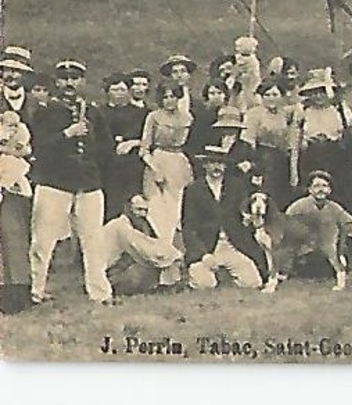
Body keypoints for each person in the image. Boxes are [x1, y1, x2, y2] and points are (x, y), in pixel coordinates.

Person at [29, 60, 115, 305]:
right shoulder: (46, 112)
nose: (69, 83)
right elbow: (40, 148)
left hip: (88, 183)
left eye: (75, 78)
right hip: (54, 182)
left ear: (83, 82)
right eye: (64, 78)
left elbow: (106, 149)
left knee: (94, 240)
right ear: (56, 82)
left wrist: (94, 168)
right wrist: (68, 133)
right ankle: (36, 290)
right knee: (43, 240)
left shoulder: (94, 112)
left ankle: (100, 293)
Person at [278, 170, 352, 290]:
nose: (320, 189)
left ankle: (348, 272)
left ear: (329, 190)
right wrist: (284, 267)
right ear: (309, 189)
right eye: (316, 186)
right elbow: (285, 235)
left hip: (327, 254)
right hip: (304, 255)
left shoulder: (335, 208)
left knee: (343, 244)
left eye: (324, 186)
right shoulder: (297, 208)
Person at [183, 146, 266, 290]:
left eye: (221, 163)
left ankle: (225, 276)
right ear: (205, 165)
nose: (217, 167)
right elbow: (188, 228)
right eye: (212, 163)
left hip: (231, 245)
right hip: (208, 247)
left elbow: (245, 213)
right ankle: (208, 275)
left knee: (253, 283)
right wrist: (202, 255)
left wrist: (249, 218)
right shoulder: (194, 189)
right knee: (205, 285)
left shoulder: (236, 186)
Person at [292, 69, 352, 212]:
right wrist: (294, 171)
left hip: (337, 159)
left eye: (322, 91)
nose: (318, 96)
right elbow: (295, 143)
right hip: (311, 159)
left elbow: (351, 136)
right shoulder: (303, 110)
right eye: (314, 92)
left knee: (341, 197)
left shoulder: (340, 109)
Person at [139, 83, 193, 244]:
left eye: (173, 96)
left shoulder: (187, 118)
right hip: (157, 161)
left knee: (178, 205)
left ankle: (179, 247)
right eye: (165, 97)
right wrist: (155, 169)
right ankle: (163, 244)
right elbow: (144, 149)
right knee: (157, 208)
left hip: (179, 162)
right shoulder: (153, 117)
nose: (169, 100)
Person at [101, 193, 185, 296]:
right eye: (138, 209)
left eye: (145, 210)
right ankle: (166, 285)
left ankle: (169, 284)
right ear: (127, 209)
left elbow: (153, 243)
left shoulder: (138, 224)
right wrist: (175, 255)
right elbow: (145, 249)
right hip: (107, 275)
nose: (142, 214)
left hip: (118, 268)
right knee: (144, 269)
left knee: (151, 266)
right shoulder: (121, 226)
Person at [0, 97, 33, 313]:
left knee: (13, 235)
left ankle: (16, 292)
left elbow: (24, 149)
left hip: (9, 182)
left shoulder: (14, 123)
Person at [241, 80, 298, 207]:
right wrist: (253, 163)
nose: (271, 98)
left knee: (281, 194)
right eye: (267, 95)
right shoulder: (253, 114)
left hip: (281, 159)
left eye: (275, 95)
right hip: (261, 157)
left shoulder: (285, 113)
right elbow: (248, 139)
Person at [101, 73, 148, 220]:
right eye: (115, 90)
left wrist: (133, 143)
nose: (119, 94)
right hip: (106, 167)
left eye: (122, 90)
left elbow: (148, 140)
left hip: (132, 168)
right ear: (108, 91)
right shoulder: (99, 113)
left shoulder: (141, 114)